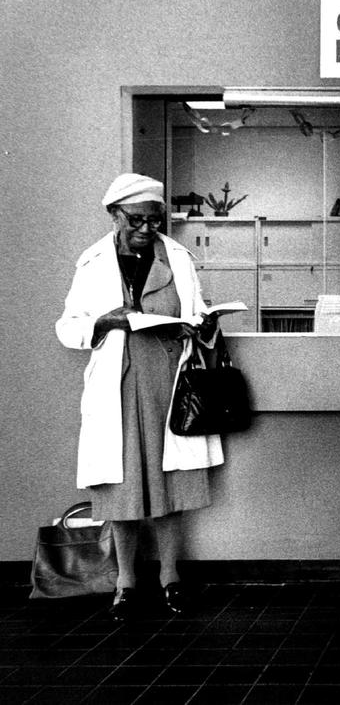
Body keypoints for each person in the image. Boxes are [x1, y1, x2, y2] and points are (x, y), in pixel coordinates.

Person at [56, 173, 224, 621]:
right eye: (137, 220)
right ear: (114, 215)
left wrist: (203, 323)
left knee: (171, 485)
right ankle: (125, 582)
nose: (147, 229)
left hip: (168, 380)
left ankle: (171, 578)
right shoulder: (92, 263)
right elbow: (68, 326)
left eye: (154, 220)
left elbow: (196, 308)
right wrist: (105, 322)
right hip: (118, 382)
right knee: (123, 488)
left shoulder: (178, 258)